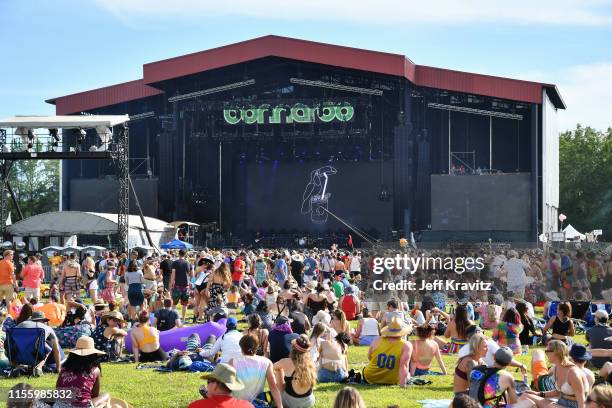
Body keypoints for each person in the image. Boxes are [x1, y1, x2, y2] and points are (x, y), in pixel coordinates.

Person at [521, 340, 588, 408]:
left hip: (573, 406)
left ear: (556, 352)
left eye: (547, 351)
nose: (546, 354)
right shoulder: (556, 368)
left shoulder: (573, 373)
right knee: (526, 395)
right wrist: (538, 394)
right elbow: (558, 392)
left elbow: (582, 400)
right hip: (560, 403)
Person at [53, 336, 110, 408]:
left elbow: (58, 388)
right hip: (82, 406)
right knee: (105, 395)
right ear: (93, 355)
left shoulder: (64, 368)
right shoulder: (95, 370)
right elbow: (95, 395)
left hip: (59, 405)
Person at [468, 347, 533, 408]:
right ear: (509, 363)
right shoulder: (507, 377)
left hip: (470, 405)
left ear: (494, 357)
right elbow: (513, 402)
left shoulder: (475, 370)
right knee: (530, 403)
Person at [229, 334, 283, 407]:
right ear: (257, 347)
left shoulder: (233, 361)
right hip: (256, 405)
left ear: (241, 347)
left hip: (236, 405)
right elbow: (273, 387)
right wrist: (280, 406)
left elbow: (226, 386)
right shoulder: (266, 362)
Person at [363, 316, 413, 387]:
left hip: (370, 377)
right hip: (393, 380)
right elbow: (404, 366)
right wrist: (403, 385)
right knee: (408, 374)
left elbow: (370, 357)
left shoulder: (377, 340)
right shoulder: (406, 345)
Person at [273, 335, 317, 408]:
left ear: (293, 348)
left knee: (278, 369)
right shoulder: (311, 363)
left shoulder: (286, 362)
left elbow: (273, 367)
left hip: (290, 402)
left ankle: (279, 397)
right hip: (308, 401)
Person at [189, 363, 253, 408]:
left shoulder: (196, 406)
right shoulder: (248, 406)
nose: (207, 386)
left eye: (208, 382)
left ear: (215, 385)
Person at [171, 249, 193, 321]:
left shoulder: (175, 263)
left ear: (178, 254)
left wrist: (172, 283)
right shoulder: (188, 263)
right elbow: (192, 275)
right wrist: (190, 281)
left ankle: (173, 318)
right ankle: (183, 319)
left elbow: (173, 275)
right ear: (185, 254)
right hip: (185, 286)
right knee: (184, 304)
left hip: (177, 285)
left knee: (174, 303)